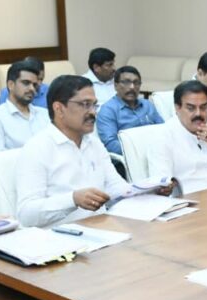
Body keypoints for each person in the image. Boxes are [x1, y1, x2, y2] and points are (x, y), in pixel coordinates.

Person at [15, 75, 132, 228]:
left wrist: (143, 191)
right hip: (61, 236)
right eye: (85, 104)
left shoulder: (93, 143)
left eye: (94, 105)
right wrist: (72, 200)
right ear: (59, 109)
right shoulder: (37, 148)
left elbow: (115, 186)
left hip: (102, 228)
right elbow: (26, 215)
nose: (93, 112)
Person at [149, 80, 207, 195]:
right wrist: (165, 187)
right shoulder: (163, 136)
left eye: (203, 107)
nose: (198, 114)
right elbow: (161, 183)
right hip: (190, 198)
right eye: (191, 108)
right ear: (177, 108)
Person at [0, 59, 50, 152]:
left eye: (34, 85)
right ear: (11, 85)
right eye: (26, 83)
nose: (32, 88)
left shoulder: (45, 114)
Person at [96, 65, 164, 155]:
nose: (132, 87)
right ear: (115, 85)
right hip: (130, 158)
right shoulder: (108, 110)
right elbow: (111, 144)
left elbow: (163, 130)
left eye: (136, 83)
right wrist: (140, 151)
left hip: (156, 153)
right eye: (126, 82)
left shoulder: (147, 105)